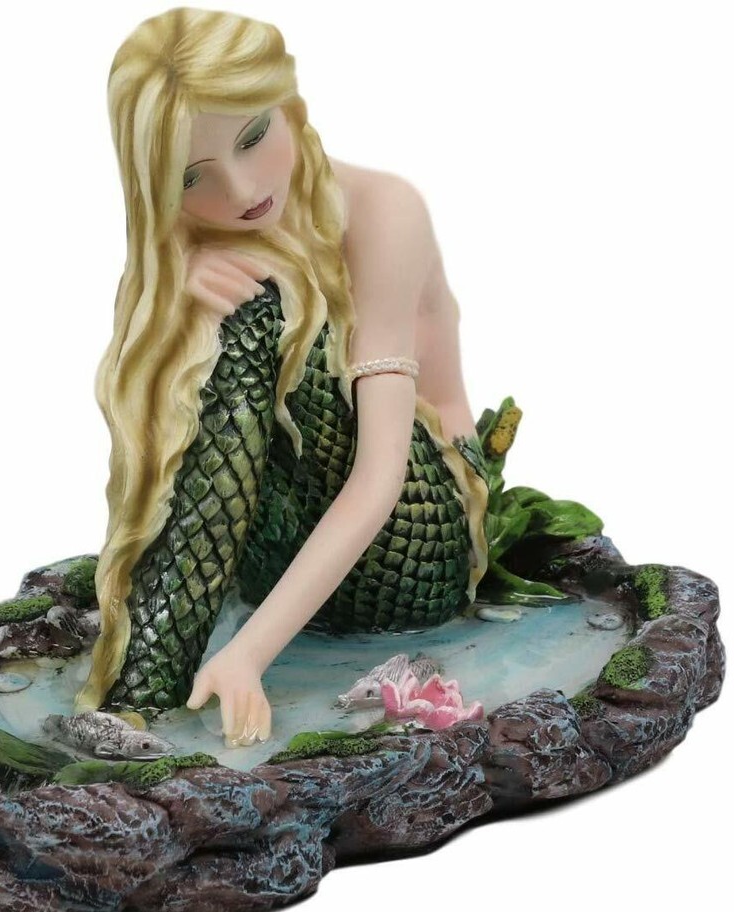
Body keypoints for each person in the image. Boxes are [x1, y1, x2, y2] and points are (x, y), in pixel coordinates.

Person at [75, 6, 487, 746]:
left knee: (250, 314)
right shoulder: (203, 240)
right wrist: (176, 290)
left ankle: (151, 684)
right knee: (223, 309)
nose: (239, 192)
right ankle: (143, 699)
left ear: (288, 106)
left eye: (253, 137)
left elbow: (380, 475)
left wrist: (249, 654)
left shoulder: (384, 212)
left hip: (417, 543)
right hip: (284, 549)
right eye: (193, 177)